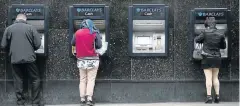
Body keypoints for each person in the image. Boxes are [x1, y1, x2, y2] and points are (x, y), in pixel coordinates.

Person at [1, 14, 43, 106]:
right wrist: (32, 49)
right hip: (30, 58)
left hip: (15, 58)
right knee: (35, 79)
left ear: (16, 19)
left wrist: (12, 50)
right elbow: (38, 44)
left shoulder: (9, 28)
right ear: (25, 19)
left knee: (18, 79)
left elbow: (3, 45)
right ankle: (35, 102)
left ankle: (20, 102)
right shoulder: (31, 28)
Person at [195, 17, 226, 104]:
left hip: (207, 58)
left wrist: (204, 38)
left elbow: (196, 40)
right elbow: (224, 46)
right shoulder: (221, 33)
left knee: (208, 78)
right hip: (217, 57)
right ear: (215, 24)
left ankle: (209, 97)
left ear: (207, 24)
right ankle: (217, 96)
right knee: (215, 77)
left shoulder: (205, 32)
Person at [71, 19, 102, 106]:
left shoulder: (77, 32)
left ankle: (82, 99)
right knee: (91, 79)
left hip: (81, 60)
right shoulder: (94, 32)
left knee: (82, 79)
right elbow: (99, 45)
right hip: (93, 60)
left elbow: (72, 43)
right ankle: (89, 99)